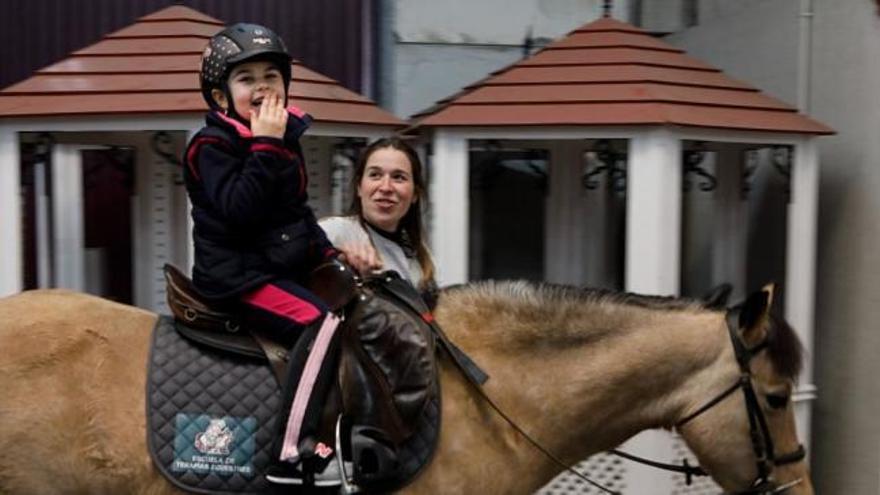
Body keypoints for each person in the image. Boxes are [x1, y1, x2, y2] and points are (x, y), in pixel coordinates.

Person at [183, 23, 342, 485]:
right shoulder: (210, 146)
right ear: (220, 97)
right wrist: (266, 143)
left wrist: (330, 255)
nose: (262, 87)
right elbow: (239, 211)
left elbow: (296, 214)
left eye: (271, 76)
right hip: (236, 277)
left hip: (273, 266)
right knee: (322, 323)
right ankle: (293, 453)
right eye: (246, 79)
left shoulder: (283, 143)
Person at [320, 137, 437, 302]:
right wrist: (336, 263)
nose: (386, 187)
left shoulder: (420, 257)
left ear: (415, 194)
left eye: (399, 177)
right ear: (359, 187)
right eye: (375, 175)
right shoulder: (333, 232)